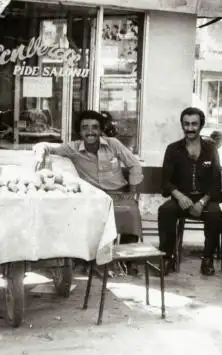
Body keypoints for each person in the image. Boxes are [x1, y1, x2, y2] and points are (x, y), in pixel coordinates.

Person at [33, 110, 144, 275]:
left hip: (119, 193)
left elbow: (134, 165)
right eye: (85, 128)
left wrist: (133, 192)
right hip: (94, 197)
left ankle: (128, 261)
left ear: (100, 130)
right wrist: (40, 153)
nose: (90, 131)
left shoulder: (113, 144)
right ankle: (94, 261)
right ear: (79, 131)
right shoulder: (73, 148)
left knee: (131, 213)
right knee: (87, 216)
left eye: (95, 127)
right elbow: (46, 146)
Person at [158, 107, 222, 276]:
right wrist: (179, 196)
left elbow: (216, 181)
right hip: (181, 197)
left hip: (205, 199)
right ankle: (166, 257)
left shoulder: (210, 149)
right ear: (182, 125)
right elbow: (165, 181)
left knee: (215, 215)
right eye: (186, 124)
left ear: (201, 125)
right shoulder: (173, 149)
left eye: (194, 124)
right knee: (165, 211)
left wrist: (202, 202)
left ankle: (207, 259)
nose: (190, 128)